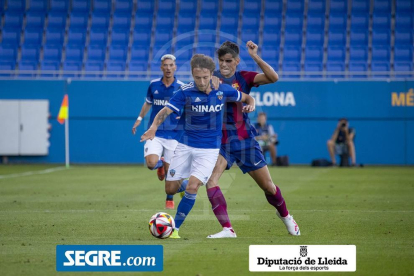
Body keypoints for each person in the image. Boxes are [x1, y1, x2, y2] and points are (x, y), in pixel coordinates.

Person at [140, 54, 255, 239]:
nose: (201, 82)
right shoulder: (185, 92)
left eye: (205, 77)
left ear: (212, 74)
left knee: (193, 187)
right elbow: (165, 110)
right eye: (197, 77)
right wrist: (153, 128)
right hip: (185, 146)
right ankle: (177, 179)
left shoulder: (223, 90)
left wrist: (251, 104)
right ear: (192, 75)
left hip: (209, 149)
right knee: (170, 189)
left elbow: (247, 98)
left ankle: (174, 229)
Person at [205, 40, 300, 238]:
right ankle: (227, 229)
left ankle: (286, 216)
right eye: (221, 60)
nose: (224, 64)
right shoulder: (211, 79)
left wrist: (255, 56)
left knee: (268, 187)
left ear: (237, 61)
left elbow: (273, 77)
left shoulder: (245, 77)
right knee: (211, 181)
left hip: (245, 140)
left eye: (228, 60)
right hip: (221, 142)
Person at [132, 54, 187, 210]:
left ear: (175, 67)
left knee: (172, 174)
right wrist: (139, 118)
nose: (168, 68)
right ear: (161, 67)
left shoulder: (181, 87)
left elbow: (187, 109)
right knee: (150, 164)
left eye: (171, 65)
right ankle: (160, 164)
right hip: (154, 132)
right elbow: (148, 103)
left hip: (174, 134)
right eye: (166, 65)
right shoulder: (153, 85)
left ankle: (169, 198)